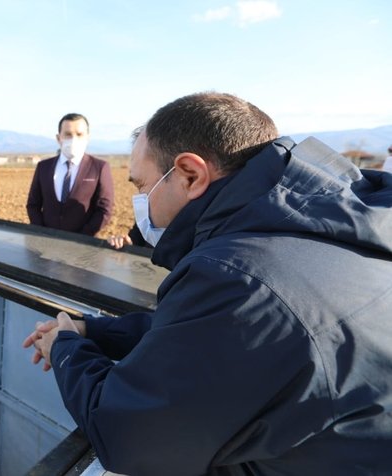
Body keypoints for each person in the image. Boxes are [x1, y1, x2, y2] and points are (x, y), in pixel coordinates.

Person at [22, 92, 392, 475]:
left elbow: (127, 436)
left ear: (190, 175)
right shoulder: (317, 231)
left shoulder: (237, 275)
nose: (141, 201)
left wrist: (66, 347)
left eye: (141, 184)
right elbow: (211, 336)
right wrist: (96, 330)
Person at [26, 113, 114, 236]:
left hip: (83, 245)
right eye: (68, 134)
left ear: (87, 137)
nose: (73, 139)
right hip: (46, 242)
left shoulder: (99, 168)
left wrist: (82, 237)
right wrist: (42, 232)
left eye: (79, 134)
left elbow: (105, 210)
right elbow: (33, 205)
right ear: (58, 138)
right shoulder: (43, 167)